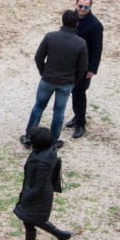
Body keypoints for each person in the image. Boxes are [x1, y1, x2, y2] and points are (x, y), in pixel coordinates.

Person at [21, 10, 88, 148]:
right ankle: (53, 141)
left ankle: (28, 137)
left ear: (62, 21)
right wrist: (73, 81)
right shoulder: (80, 43)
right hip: (66, 83)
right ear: (76, 23)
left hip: (48, 79)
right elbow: (83, 67)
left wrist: (43, 72)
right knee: (59, 112)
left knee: (38, 107)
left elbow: (38, 57)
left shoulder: (51, 37)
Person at [10, 126, 71, 240]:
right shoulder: (47, 152)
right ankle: (59, 236)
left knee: (32, 221)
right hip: (37, 196)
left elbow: (40, 186)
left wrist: (26, 196)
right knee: (31, 221)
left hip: (38, 198)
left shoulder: (42, 162)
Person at [66, 0, 104, 139]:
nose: (82, 9)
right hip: (72, 63)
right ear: (76, 4)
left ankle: (81, 123)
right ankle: (77, 116)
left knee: (80, 92)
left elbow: (97, 49)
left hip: (84, 66)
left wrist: (92, 68)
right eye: (80, 6)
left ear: (90, 7)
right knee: (74, 91)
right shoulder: (72, 18)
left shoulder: (95, 25)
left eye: (86, 7)